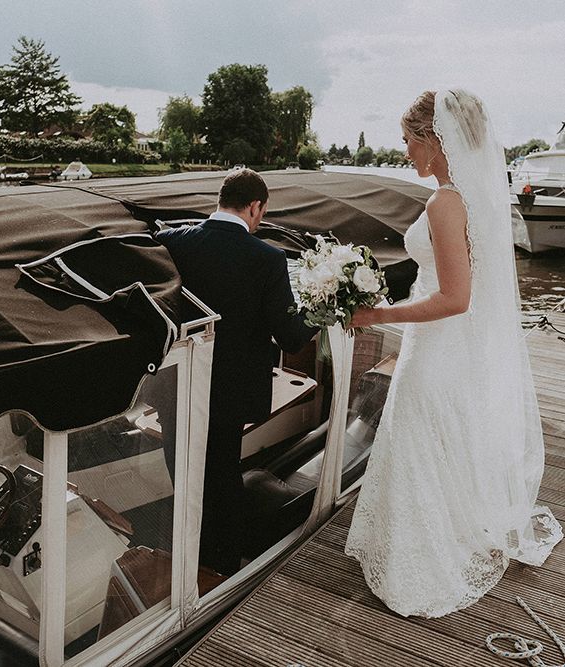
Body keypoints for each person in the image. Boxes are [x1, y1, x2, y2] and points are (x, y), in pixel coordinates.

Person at [344, 89, 563, 617]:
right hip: (451, 348)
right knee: (442, 439)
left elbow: (454, 298)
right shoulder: (471, 197)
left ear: (434, 139)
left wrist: (375, 315)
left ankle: (423, 555)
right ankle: (446, 530)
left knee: (422, 436)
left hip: (440, 347)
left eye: (408, 142)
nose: (405, 154)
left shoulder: (445, 202)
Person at [157, 168, 318, 575]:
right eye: (262, 212)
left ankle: (181, 549)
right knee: (223, 477)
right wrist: (322, 313)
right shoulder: (267, 258)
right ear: (254, 207)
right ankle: (220, 565)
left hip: (176, 385)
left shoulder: (171, 240)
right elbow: (291, 338)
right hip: (229, 392)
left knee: (183, 472)